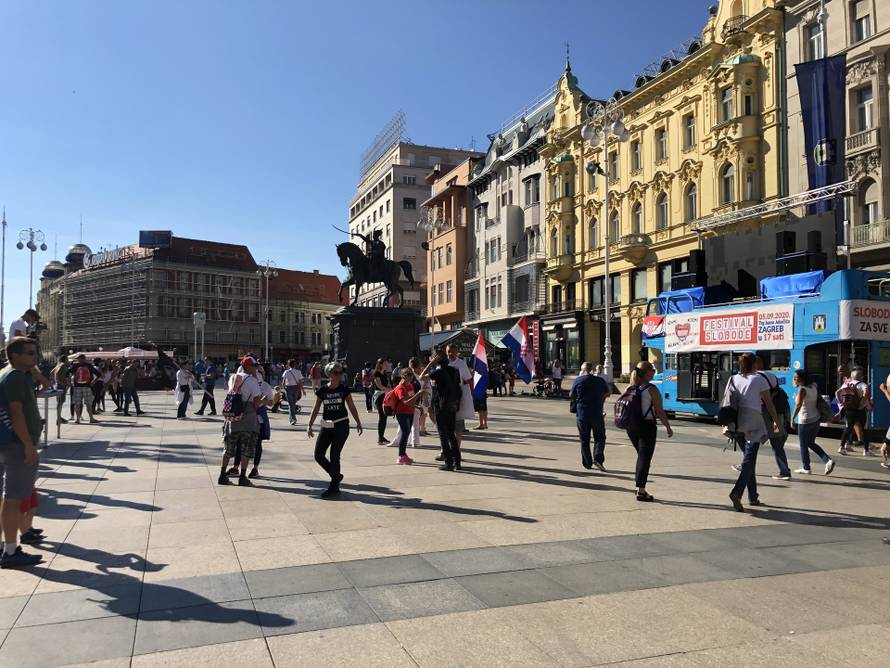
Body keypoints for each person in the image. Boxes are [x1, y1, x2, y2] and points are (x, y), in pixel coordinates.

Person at [0, 337, 44, 568]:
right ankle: (10, 551)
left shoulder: (6, 373)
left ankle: (5, 547)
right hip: (17, 444)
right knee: (14, 498)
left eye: (35, 353)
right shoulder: (16, 377)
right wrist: (28, 444)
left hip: (7, 442)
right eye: (29, 353)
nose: (34, 357)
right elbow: (16, 413)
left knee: (7, 497)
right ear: (14, 355)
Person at [722, 353, 781, 512]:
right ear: (755, 364)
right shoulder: (758, 379)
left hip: (736, 421)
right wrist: (777, 421)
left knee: (748, 459)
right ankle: (737, 492)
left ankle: (753, 496)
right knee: (749, 459)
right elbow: (769, 404)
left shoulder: (733, 378)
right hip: (753, 420)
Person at [307, 362, 363, 498]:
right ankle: (336, 476)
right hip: (326, 426)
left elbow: (351, 406)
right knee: (318, 455)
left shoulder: (344, 390)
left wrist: (358, 422)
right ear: (330, 374)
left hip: (341, 425)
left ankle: (334, 486)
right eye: (337, 373)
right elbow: (315, 408)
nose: (340, 375)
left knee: (334, 456)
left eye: (341, 372)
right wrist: (309, 424)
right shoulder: (322, 391)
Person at [622, 361, 673, 501]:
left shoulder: (630, 387)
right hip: (647, 427)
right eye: (653, 369)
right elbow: (660, 412)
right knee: (644, 458)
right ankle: (641, 490)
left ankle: (641, 487)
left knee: (642, 457)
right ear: (648, 372)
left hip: (631, 427)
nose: (654, 371)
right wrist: (668, 427)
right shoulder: (651, 389)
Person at [219, 356, 264, 487]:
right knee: (246, 448)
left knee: (228, 449)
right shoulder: (252, 381)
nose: (256, 368)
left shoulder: (233, 377)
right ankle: (243, 477)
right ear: (248, 367)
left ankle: (222, 475)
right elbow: (256, 403)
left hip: (232, 418)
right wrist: (264, 401)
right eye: (254, 366)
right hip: (247, 420)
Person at [790, 370, 835, 476]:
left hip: (805, 420)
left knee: (803, 444)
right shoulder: (814, 386)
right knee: (810, 442)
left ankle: (806, 467)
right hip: (815, 419)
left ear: (801, 379)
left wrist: (792, 418)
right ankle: (827, 460)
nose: (794, 379)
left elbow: (798, 405)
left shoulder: (802, 389)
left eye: (796, 377)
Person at [422, 353, 462, 470]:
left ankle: (448, 462)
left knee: (443, 434)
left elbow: (421, 377)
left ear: (436, 360)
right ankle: (457, 462)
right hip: (453, 404)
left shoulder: (438, 371)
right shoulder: (454, 370)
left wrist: (430, 364)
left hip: (441, 405)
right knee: (451, 434)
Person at [570, 361, 609, 472]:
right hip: (597, 413)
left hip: (582, 414)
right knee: (600, 437)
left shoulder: (578, 380)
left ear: (583, 370)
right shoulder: (600, 381)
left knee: (584, 439)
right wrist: (600, 401)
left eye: (581, 370)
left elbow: (571, 395)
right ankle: (598, 459)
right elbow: (607, 393)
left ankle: (587, 463)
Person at [836, 368, 872, 455]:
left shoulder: (847, 384)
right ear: (861, 377)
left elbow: (837, 393)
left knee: (848, 428)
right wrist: (863, 403)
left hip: (849, 410)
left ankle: (841, 447)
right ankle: (866, 450)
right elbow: (866, 393)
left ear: (852, 377)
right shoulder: (863, 384)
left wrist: (841, 403)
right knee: (865, 429)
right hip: (860, 411)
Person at [391, 368, 424, 465]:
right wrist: (418, 395)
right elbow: (405, 402)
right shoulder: (400, 388)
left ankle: (403, 455)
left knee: (406, 433)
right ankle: (401, 456)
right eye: (408, 374)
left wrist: (417, 406)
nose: (410, 376)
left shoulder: (410, 386)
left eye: (411, 374)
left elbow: (411, 401)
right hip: (402, 413)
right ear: (403, 376)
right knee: (405, 433)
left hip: (410, 412)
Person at [447, 345, 475, 453]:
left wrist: (470, 396)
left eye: (454, 351)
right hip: (444, 399)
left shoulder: (461, 364)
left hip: (457, 399)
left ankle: (456, 450)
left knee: (458, 427)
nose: (451, 353)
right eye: (449, 351)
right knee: (446, 428)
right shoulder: (443, 363)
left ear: (457, 352)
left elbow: (469, 380)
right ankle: (444, 451)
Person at [70, 354, 99, 424]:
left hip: (77, 387)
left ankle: (77, 419)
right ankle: (91, 418)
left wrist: (70, 383)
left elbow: (68, 373)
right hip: (87, 387)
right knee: (88, 404)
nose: (78, 360)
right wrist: (93, 381)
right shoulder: (89, 365)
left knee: (77, 404)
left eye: (79, 359)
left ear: (81, 359)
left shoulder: (75, 366)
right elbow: (98, 374)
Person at [372, 359, 390, 445]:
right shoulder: (377, 373)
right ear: (381, 364)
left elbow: (387, 384)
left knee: (385, 416)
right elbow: (379, 386)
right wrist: (390, 389)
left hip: (385, 395)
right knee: (381, 416)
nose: (387, 365)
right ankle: (380, 438)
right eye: (385, 364)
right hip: (379, 396)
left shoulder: (385, 373)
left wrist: (389, 388)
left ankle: (382, 436)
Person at [282, 359, 304, 425]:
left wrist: (284, 388)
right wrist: (303, 390)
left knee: (290, 404)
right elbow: (300, 382)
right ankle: (292, 418)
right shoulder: (298, 372)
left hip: (288, 388)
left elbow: (283, 382)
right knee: (293, 404)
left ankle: (293, 419)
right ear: (295, 365)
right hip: (296, 389)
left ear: (288, 365)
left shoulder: (286, 372)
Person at [50, 355, 70, 425]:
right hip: (61, 385)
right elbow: (58, 374)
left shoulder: (57, 365)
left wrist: (53, 383)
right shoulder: (63, 365)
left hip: (58, 385)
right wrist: (62, 382)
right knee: (60, 402)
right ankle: (58, 418)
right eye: (67, 359)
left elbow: (51, 373)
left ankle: (59, 417)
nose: (68, 361)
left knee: (59, 402)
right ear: (65, 359)